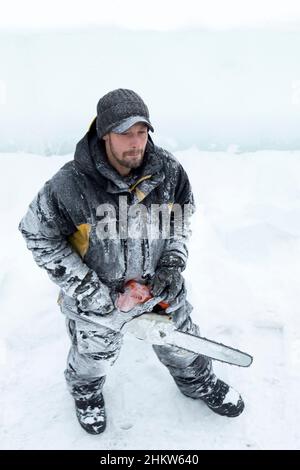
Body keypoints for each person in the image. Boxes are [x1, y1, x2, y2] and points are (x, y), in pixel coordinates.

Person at [19, 88, 244, 435]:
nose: (136, 143)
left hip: (158, 288)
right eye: (125, 133)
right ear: (104, 133)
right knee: (94, 355)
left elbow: (181, 219)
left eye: (142, 132)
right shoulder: (68, 185)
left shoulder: (168, 171)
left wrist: (172, 261)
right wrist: (88, 289)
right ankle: (85, 391)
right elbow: (36, 234)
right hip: (98, 298)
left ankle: (196, 380)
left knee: (181, 342)